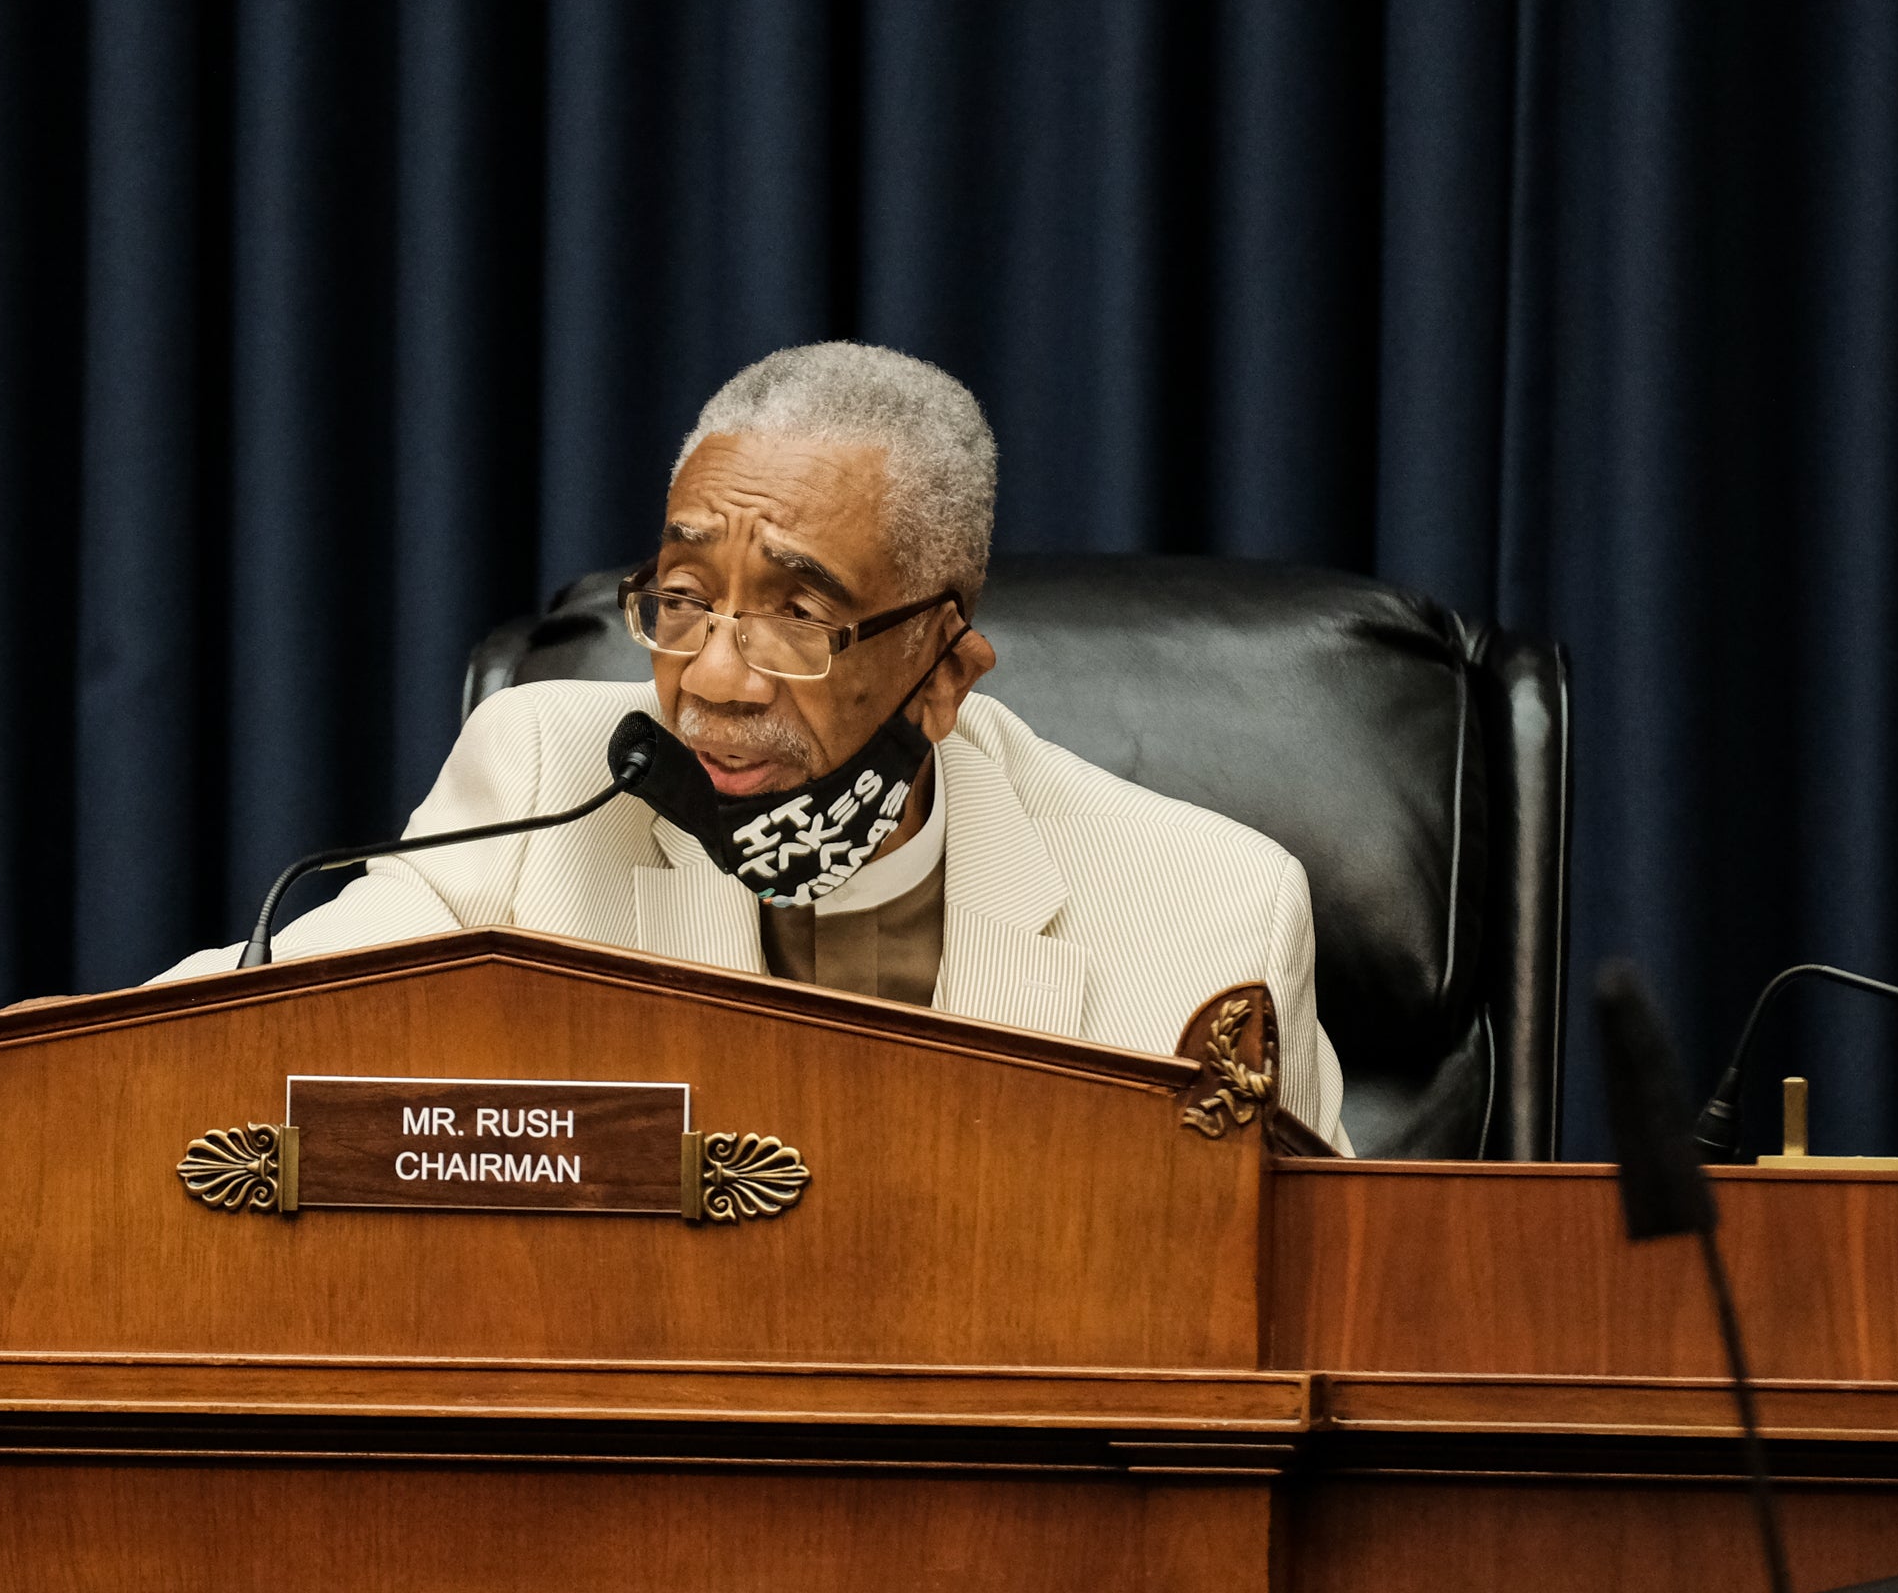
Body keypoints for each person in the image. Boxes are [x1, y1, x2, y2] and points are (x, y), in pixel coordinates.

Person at [160, 342, 1347, 1150]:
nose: (715, 679)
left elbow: (1322, 1300)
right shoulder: (545, 781)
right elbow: (224, 1044)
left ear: (944, 671)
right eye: (682, 598)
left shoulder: (1209, 913)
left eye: (800, 616)